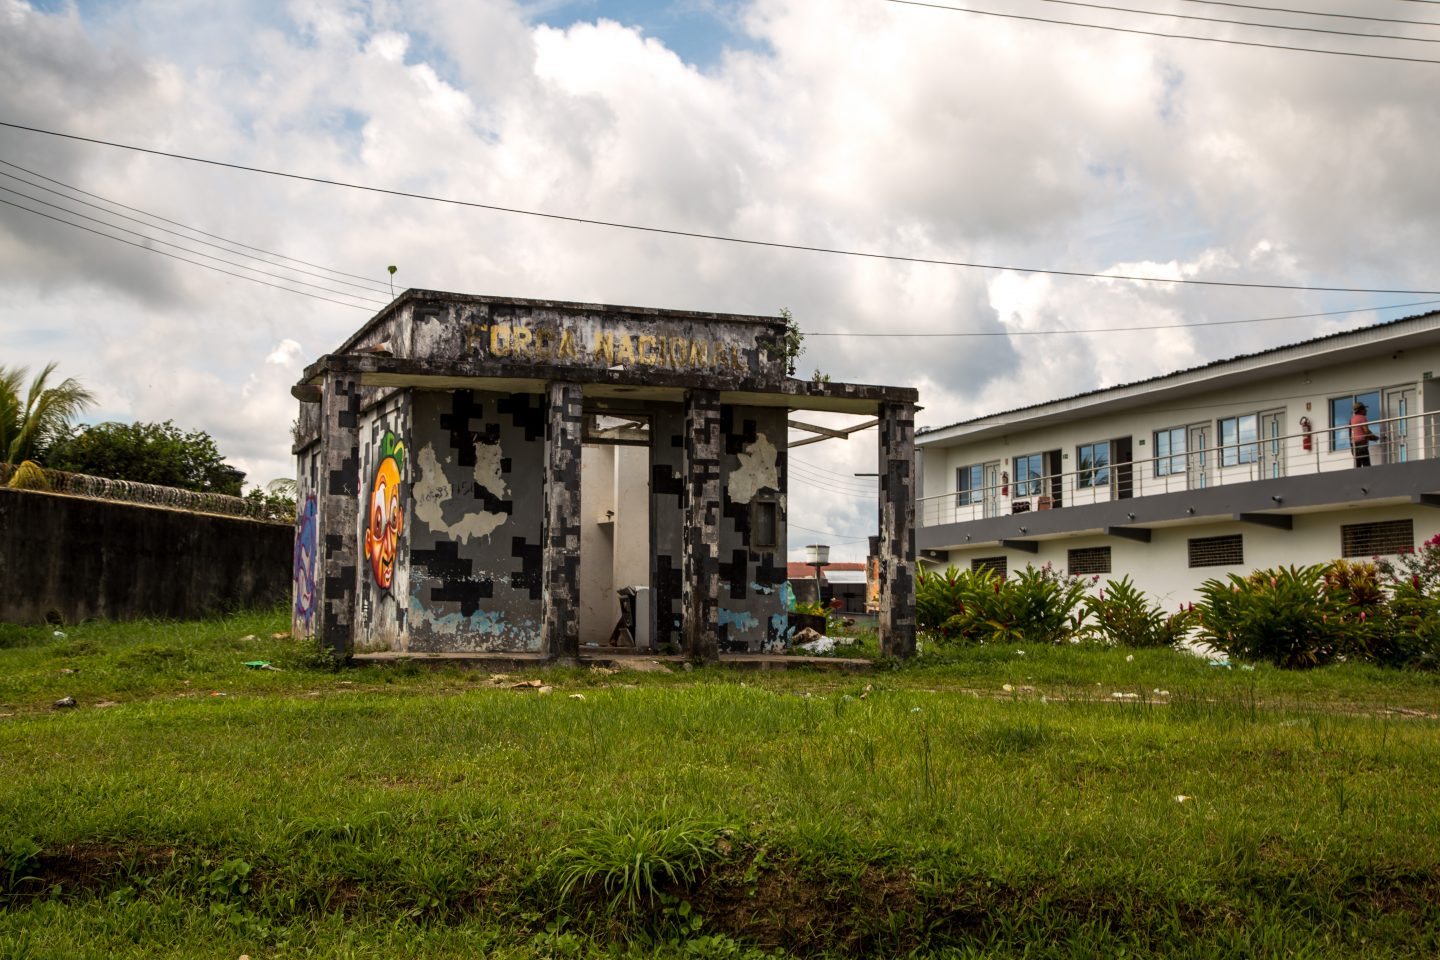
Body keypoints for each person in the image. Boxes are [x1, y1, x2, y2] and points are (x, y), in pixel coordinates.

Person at [1350, 401, 1379, 467]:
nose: (1366, 410)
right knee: (1366, 465)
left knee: (1358, 466)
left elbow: (1360, 431)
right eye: (1364, 409)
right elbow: (1366, 431)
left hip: (1354, 445)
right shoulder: (1362, 418)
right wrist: (1375, 437)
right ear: (1361, 410)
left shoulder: (1352, 419)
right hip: (1362, 444)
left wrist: (1371, 434)